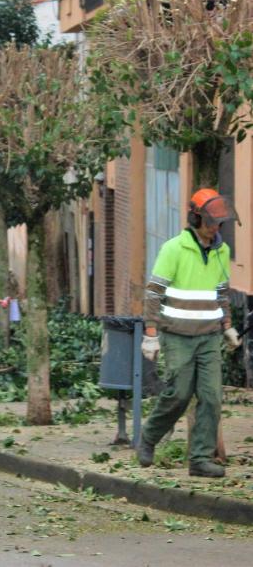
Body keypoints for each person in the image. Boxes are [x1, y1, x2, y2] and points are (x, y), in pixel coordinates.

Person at [137, 188, 242, 478]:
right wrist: (150, 332)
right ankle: (148, 437)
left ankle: (200, 459)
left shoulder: (222, 250)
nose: (215, 228)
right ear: (195, 218)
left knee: (211, 397)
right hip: (178, 335)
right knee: (179, 393)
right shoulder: (174, 249)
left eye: (219, 223)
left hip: (209, 336)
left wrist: (227, 326)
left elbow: (221, 293)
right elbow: (154, 292)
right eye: (210, 221)